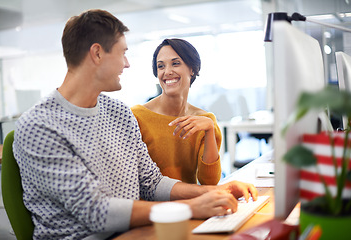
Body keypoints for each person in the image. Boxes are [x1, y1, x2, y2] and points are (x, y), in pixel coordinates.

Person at [13, 9, 257, 240]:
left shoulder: (118, 112)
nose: (127, 63)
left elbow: (151, 182)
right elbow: (97, 212)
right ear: (97, 54)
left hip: (136, 231)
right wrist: (192, 207)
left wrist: (217, 191)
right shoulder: (39, 126)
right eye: (122, 53)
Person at [131, 38, 221, 185]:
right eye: (161, 66)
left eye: (175, 63)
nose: (167, 72)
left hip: (190, 204)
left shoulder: (205, 121)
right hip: (150, 207)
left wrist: (210, 130)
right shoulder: (136, 116)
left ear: (192, 69)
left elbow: (209, 182)